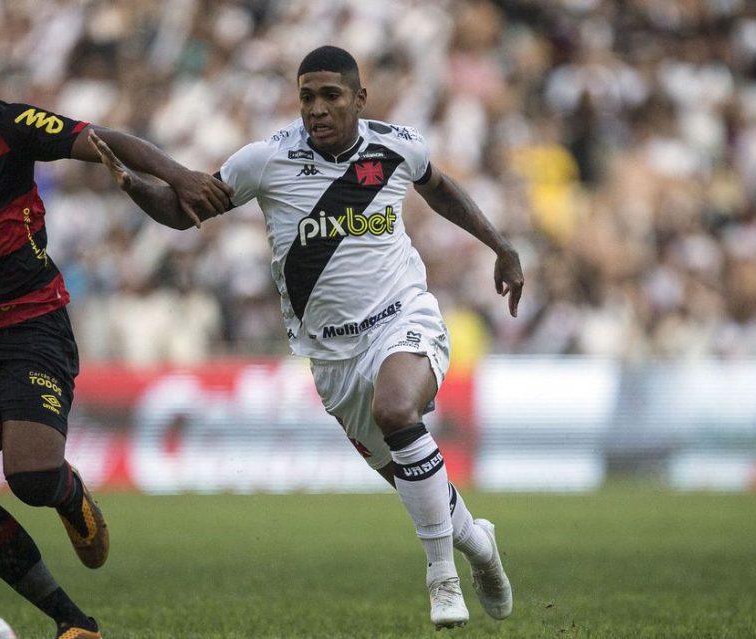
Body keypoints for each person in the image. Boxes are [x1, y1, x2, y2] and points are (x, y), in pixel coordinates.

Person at [91, 45, 523, 630]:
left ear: (359, 99)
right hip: (331, 357)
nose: (316, 109)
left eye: (330, 96)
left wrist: (501, 246)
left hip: (402, 318)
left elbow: (440, 187)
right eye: (306, 97)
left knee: (397, 410)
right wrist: (130, 183)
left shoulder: (396, 146)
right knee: (411, 476)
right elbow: (181, 209)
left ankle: (442, 578)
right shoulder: (264, 161)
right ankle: (478, 544)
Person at [0, 23, 231, 639]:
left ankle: (68, 494)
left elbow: (101, 137)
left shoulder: (5, 126)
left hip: (30, 322)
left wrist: (180, 175)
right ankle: (72, 622)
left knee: (32, 478)